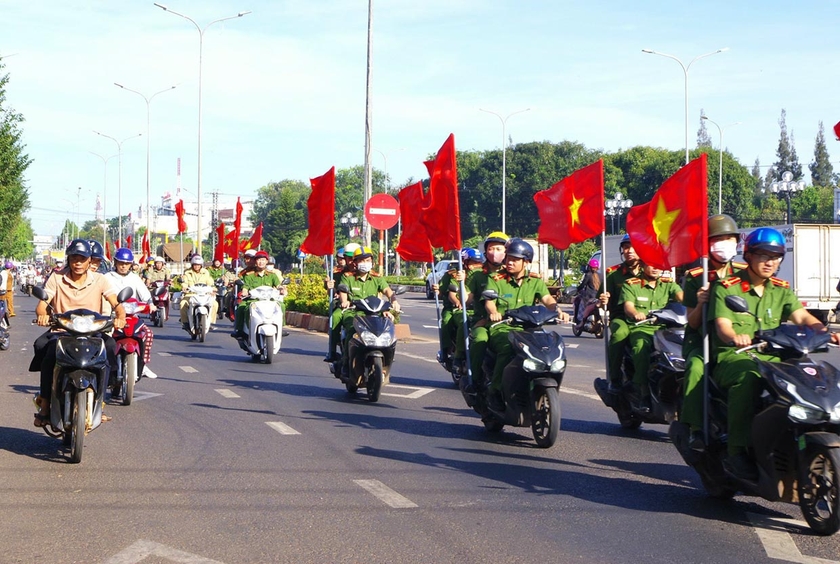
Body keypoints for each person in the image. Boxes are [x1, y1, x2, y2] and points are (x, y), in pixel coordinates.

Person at [712, 227, 840, 480]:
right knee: (748, 380)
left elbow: (800, 315)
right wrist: (735, 337)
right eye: (762, 255)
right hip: (737, 357)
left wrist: (824, 330)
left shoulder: (781, 289)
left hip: (776, 358)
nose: (769, 262)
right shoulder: (727, 287)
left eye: (775, 256)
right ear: (748, 256)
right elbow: (723, 325)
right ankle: (736, 450)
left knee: (816, 377)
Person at [31, 239, 126, 427]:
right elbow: (42, 305)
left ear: (90, 260)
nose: (78, 262)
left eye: (82, 258)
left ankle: (101, 401)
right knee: (44, 348)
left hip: (93, 332)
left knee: (110, 347)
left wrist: (120, 316)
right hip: (62, 331)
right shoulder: (57, 278)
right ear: (69, 259)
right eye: (74, 258)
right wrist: (42, 315)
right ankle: (45, 404)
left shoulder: (100, 279)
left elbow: (117, 303)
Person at [680, 214, 746, 449]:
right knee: (697, 368)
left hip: (737, 340)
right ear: (707, 244)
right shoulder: (696, 277)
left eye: (729, 239)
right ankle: (695, 429)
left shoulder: (744, 272)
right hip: (703, 340)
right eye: (718, 239)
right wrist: (700, 303)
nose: (725, 243)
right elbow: (693, 322)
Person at [484, 238, 568, 409]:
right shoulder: (496, 279)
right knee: (508, 349)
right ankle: (495, 391)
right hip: (503, 327)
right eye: (508, 258)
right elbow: (489, 301)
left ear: (526, 262)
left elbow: (547, 299)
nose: (509, 262)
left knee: (549, 349)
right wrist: (493, 313)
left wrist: (558, 311)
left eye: (515, 259)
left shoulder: (535, 282)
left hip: (530, 328)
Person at [620, 262, 683, 412]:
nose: (655, 267)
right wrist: (636, 314)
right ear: (642, 266)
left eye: (658, 264)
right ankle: (644, 393)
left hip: (665, 329)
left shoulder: (669, 284)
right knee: (641, 348)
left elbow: (683, 298)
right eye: (651, 264)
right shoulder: (632, 284)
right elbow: (628, 306)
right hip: (642, 328)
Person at [337, 246, 400, 376]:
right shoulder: (347, 277)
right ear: (355, 262)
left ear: (372, 261)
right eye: (361, 260)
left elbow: (388, 291)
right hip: (354, 312)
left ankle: (386, 362)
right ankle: (346, 363)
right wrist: (345, 301)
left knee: (388, 331)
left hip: (373, 313)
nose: (365, 263)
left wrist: (394, 301)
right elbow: (343, 292)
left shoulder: (377, 278)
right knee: (352, 330)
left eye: (367, 260)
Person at [106, 247, 158, 378]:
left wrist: (150, 304)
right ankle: (106, 364)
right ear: (115, 262)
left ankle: (143, 364)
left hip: (132, 315)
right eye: (120, 263)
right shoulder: (107, 277)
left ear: (131, 264)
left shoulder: (134, 278)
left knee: (148, 334)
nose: (123, 266)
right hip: (112, 316)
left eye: (127, 263)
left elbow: (144, 294)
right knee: (105, 337)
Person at [599, 235, 642, 391]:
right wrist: (604, 299)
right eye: (626, 247)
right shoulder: (613, 273)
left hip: (649, 319)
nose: (629, 251)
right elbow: (601, 297)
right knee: (620, 334)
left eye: (633, 246)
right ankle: (615, 378)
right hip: (621, 318)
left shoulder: (650, 271)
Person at [466, 232, 510, 383]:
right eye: (491, 249)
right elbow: (467, 300)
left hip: (512, 322)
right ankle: (475, 380)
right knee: (480, 340)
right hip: (483, 321)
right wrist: (460, 287)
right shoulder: (477, 275)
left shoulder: (513, 274)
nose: (494, 253)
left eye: (499, 248)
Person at [437, 248, 483, 370]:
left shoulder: (482, 276)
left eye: (479, 263)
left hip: (477, 310)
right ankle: (451, 353)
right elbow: (452, 294)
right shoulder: (455, 275)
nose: (477, 266)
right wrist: (458, 302)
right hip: (457, 309)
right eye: (473, 262)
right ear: (465, 262)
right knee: (453, 322)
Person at [232, 250, 284, 339]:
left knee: (281, 306)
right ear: (255, 261)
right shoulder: (249, 275)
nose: (261, 262)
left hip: (269, 300)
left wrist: (282, 289)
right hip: (253, 300)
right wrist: (244, 291)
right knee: (241, 307)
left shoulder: (272, 275)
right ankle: (240, 330)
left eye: (263, 260)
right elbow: (245, 287)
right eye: (259, 260)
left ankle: (280, 328)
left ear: (267, 261)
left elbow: (278, 285)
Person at [325, 243, 359, 362]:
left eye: (355, 259)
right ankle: (332, 350)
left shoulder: (371, 275)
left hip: (364, 308)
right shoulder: (338, 274)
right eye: (349, 258)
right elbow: (336, 291)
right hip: (345, 306)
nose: (351, 262)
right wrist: (329, 287)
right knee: (335, 317)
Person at [179, 255, 218, 330]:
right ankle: (185, 323)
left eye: (198, 265)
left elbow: (210, 282)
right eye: (195, 265)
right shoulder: (187, 272)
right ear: (192, 264)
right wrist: (184, 287)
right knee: (182, 303)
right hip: (191, 294)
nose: (196, 266)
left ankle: (210, 322)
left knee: (215, 304)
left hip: (204, 294)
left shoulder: (205, 272)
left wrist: (213, 289)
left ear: (201, 265)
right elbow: (185, 281)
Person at [573, 257, 601, 327]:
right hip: (598, 297)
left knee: (580, 304)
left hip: (589, 297)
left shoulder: (588, 275)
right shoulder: (600, 275)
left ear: (589, 267)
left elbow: (583, 285)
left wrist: (577, 289)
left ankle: (580, 320)